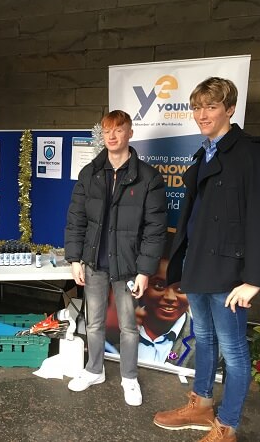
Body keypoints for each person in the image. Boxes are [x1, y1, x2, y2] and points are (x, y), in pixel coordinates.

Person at [153, 77, 260, 442]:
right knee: (205, 340)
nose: (202, 114)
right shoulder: (204, 153)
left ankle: (226, 426)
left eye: (211, 106)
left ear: (229, 109)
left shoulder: (250, 154)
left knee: (235, 352)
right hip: (199, 267)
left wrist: (253, 280)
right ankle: (201, 404)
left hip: (230, 274)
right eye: (197, 107)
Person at [64, 110, 167, 406]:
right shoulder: (90, 173)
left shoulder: (149, 177)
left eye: (118, 130)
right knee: (93, 323)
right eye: (107, 130)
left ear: (130, 133)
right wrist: (75, 259)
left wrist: (145, 271)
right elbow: (76, 219)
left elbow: (155, 228)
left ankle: (129, 378)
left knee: (128, 327)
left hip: (128, 266)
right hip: (94, 262)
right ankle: (94, 369)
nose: (111, 136)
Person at [137, 258, 194, 368]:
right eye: (159, 285)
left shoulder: (211, 345)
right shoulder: (115, 329)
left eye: (181, 288)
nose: (170, 297)